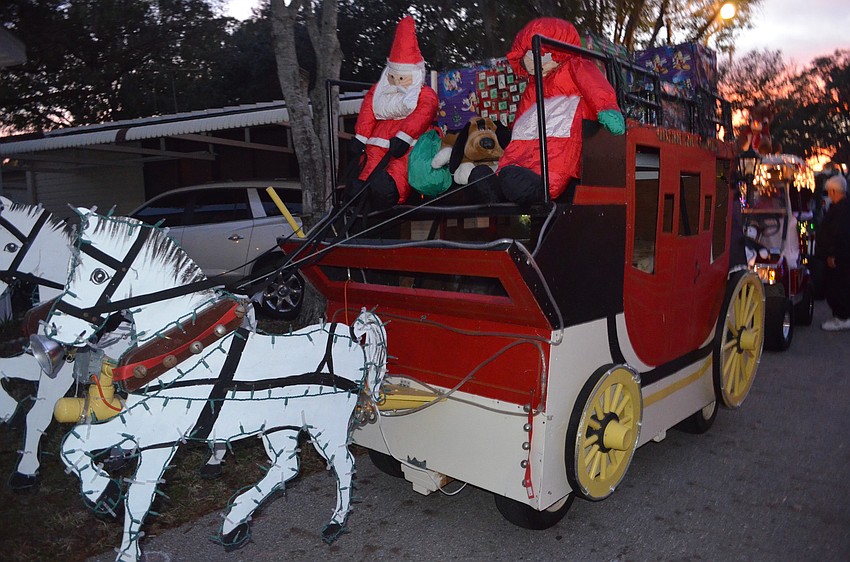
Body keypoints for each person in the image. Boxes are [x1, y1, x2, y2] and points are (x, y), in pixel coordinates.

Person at [470, 18, 625, 205]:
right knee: (516, 156)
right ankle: (495, 187)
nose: (534, 67)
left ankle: (538, 186)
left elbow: (594, 85)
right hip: (534, 131)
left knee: (553, 157)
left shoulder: (575, 66)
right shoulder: (533, 85)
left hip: (563, 127)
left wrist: (607, 108)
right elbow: (523, 113)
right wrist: (514, 131)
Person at [348, 16, 438, 210]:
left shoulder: (425, 94)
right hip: (376, 141)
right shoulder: (378, 91)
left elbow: (423, 113)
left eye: (402, 77)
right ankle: (362, 189)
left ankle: (390, 190)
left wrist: (405, 135)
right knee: (370, 164)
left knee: (399, 168)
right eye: (393, 76)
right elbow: (368, 111)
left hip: (405, 143)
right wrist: (361, 137)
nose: (397, 82)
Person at [817, 175, 850, 331]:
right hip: (839, 253)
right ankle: (842, 315)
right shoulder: (842, 207)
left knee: (838, 286)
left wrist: (832, 254)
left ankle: (842, 317)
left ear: (833, 191)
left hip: (838, 256)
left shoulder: (840, 210)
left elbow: (839, 234)